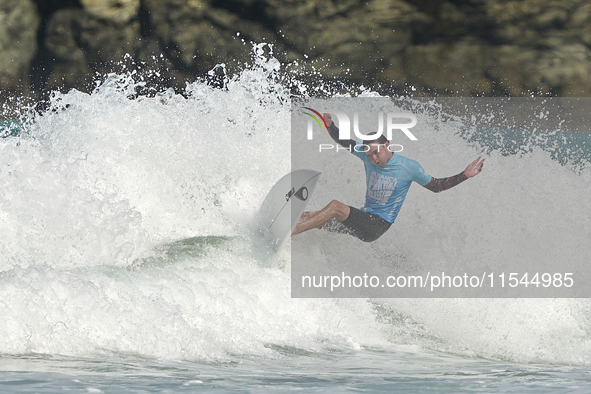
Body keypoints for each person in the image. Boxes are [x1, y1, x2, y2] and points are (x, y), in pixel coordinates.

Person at [292, 113, 485, 242]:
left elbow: (436, 186)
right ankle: (285, 226)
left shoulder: (408, 167)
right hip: (363, 217)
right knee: (312, 216)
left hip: (377, 226)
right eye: (369, 155)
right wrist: (331, 126)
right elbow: (345, 141)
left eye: (377, 152)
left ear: (387, 145)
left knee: (335, 206)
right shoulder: (366, 155)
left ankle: (293, 232)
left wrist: (464, 175)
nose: (374, 158)